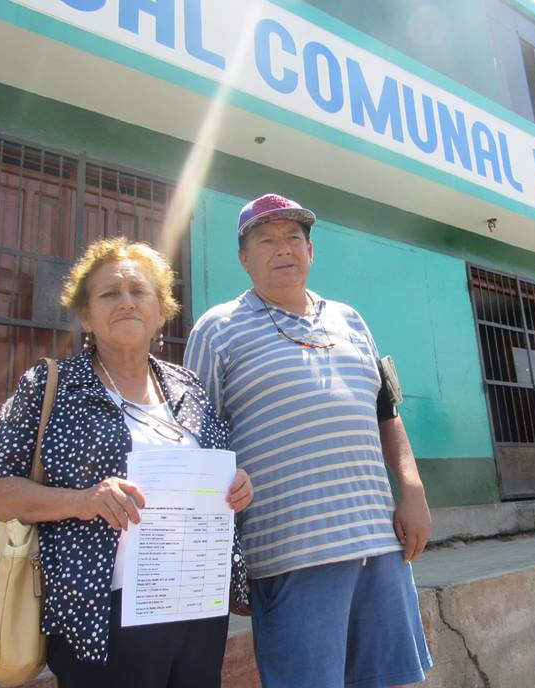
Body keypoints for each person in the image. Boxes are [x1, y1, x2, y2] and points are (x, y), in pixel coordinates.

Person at [0, 237, 253, 688]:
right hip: (101, 615)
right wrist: (84, 500)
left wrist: (236, 485)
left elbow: (219, 472)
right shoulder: (51, 386)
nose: (125, 302)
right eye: (108, 294)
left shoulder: (189, 388)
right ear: (86, 315)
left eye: (139, 292)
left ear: (162, 312)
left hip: (196, 605)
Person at [183, 193, 433, 687]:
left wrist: (414, 491)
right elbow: (193, 439)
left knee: (387, 680)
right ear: (243, 259)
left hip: (380, 546)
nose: (283, 250)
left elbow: (388, 413)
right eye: (267, 240)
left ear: (311, 251)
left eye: (293, 238)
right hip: (290, 555)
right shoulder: (217, 330)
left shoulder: (352, 320)